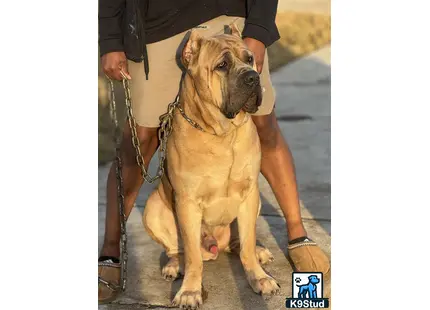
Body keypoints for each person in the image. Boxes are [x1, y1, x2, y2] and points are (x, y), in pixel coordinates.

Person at [98, 0, 330, 303]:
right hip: (155, 29)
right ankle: (110, 252)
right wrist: (111, 40)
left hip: (229, 17)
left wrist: (257, 32)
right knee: (139, 143)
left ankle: (298, 235)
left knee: (264, 127)